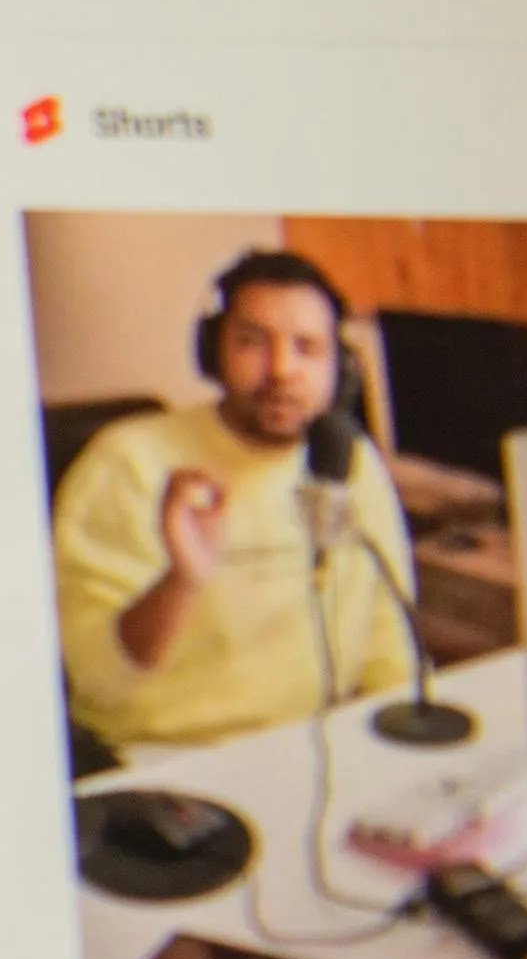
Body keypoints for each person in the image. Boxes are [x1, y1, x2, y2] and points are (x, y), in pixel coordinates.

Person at [56, 251, 426, 752]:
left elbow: (391, 640)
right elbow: (94, 679)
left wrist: (401, 750)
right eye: (252, 342)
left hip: (325, 747)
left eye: (306, 348)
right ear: (213, 353)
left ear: (341, 367)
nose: (281, 369)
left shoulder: (348, 461)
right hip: (171, 764)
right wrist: (181, 581)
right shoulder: (128, 462)